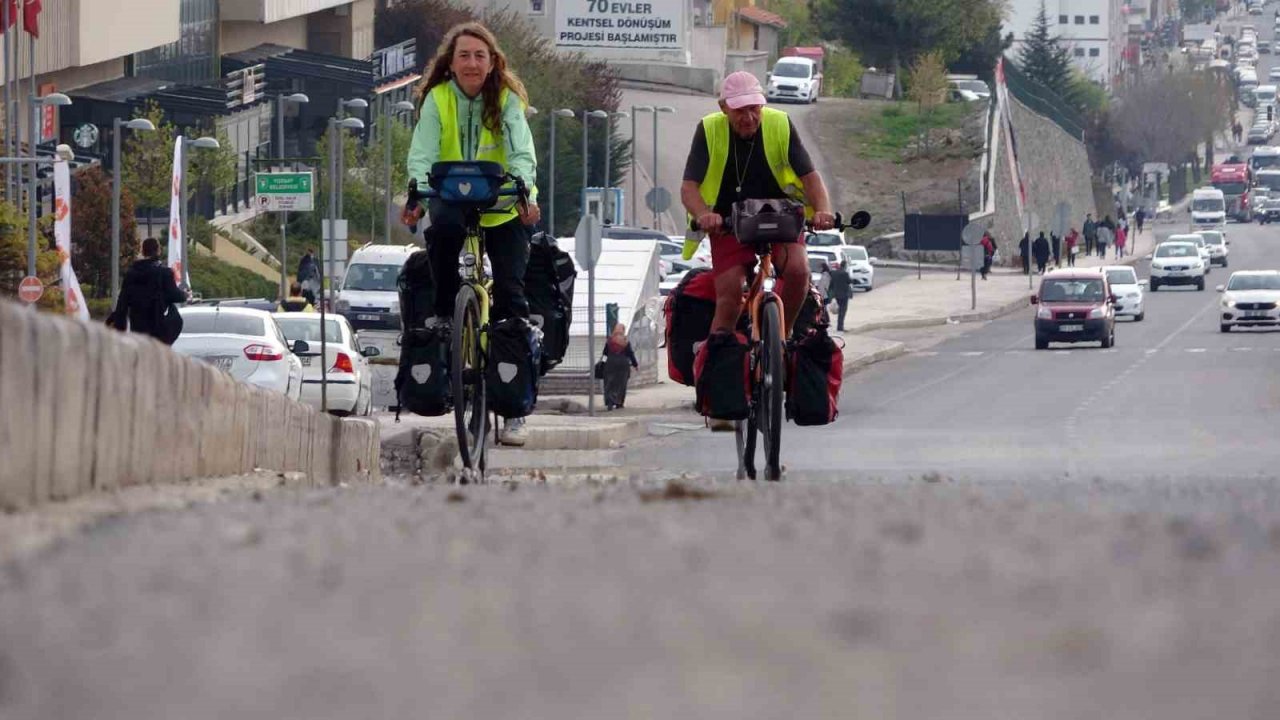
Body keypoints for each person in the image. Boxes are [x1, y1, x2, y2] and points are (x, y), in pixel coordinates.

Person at [402, 21, 541, 446]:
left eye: (480, 55)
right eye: (463, 55)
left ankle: (514, 407)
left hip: (501, 205)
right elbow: (422, 151)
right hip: (450, 198)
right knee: (441, 239)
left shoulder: (507, 100)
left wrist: (522, 190)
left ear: (492, 61)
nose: (472, 62)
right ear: (451, 61)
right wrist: (417, 196)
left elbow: (521, 150)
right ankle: (448, 318)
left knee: (512, 296)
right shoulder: (437, 99)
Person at [681, 70, 836, 339]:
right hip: (728, 224)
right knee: (729, 294)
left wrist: (823, 210)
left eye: (754, 109)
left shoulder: (780, 124)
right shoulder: (708, 130)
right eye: (740, 110)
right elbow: (689, 187)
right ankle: (719, 357)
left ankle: (781, 339)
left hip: (781, 217)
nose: (749, 117)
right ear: (723, 108)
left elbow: (810, 177)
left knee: (799, 271)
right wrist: (704, 215)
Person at [108, 237, 188, 345]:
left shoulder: (131, 274)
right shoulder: (164, 273)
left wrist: (119, 326)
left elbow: (123, 302)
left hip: (138, 329)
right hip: (158, 328)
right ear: (158, 251)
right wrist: (185, 295)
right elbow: (174, 295)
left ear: (142, 251)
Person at [600, 323, 639, 411]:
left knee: (609, 383)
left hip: (610, 364)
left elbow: (605, 354)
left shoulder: (610, 341)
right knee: (621, 384)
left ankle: (610, 402)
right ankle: (619, 403)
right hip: (623, 364)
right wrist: (635, 364)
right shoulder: (625, 342)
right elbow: (630, 354)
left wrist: (602, 363)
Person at [827, 260, 853, 329]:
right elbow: (849, 281)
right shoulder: (845, 273)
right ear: (844, 266)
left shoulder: (834, 273)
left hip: (837, 294)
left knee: (840, 310)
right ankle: (840, 326)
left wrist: (831, 294)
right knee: (843, 311)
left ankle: (839, 326)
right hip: (844, 295)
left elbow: (831, 284)